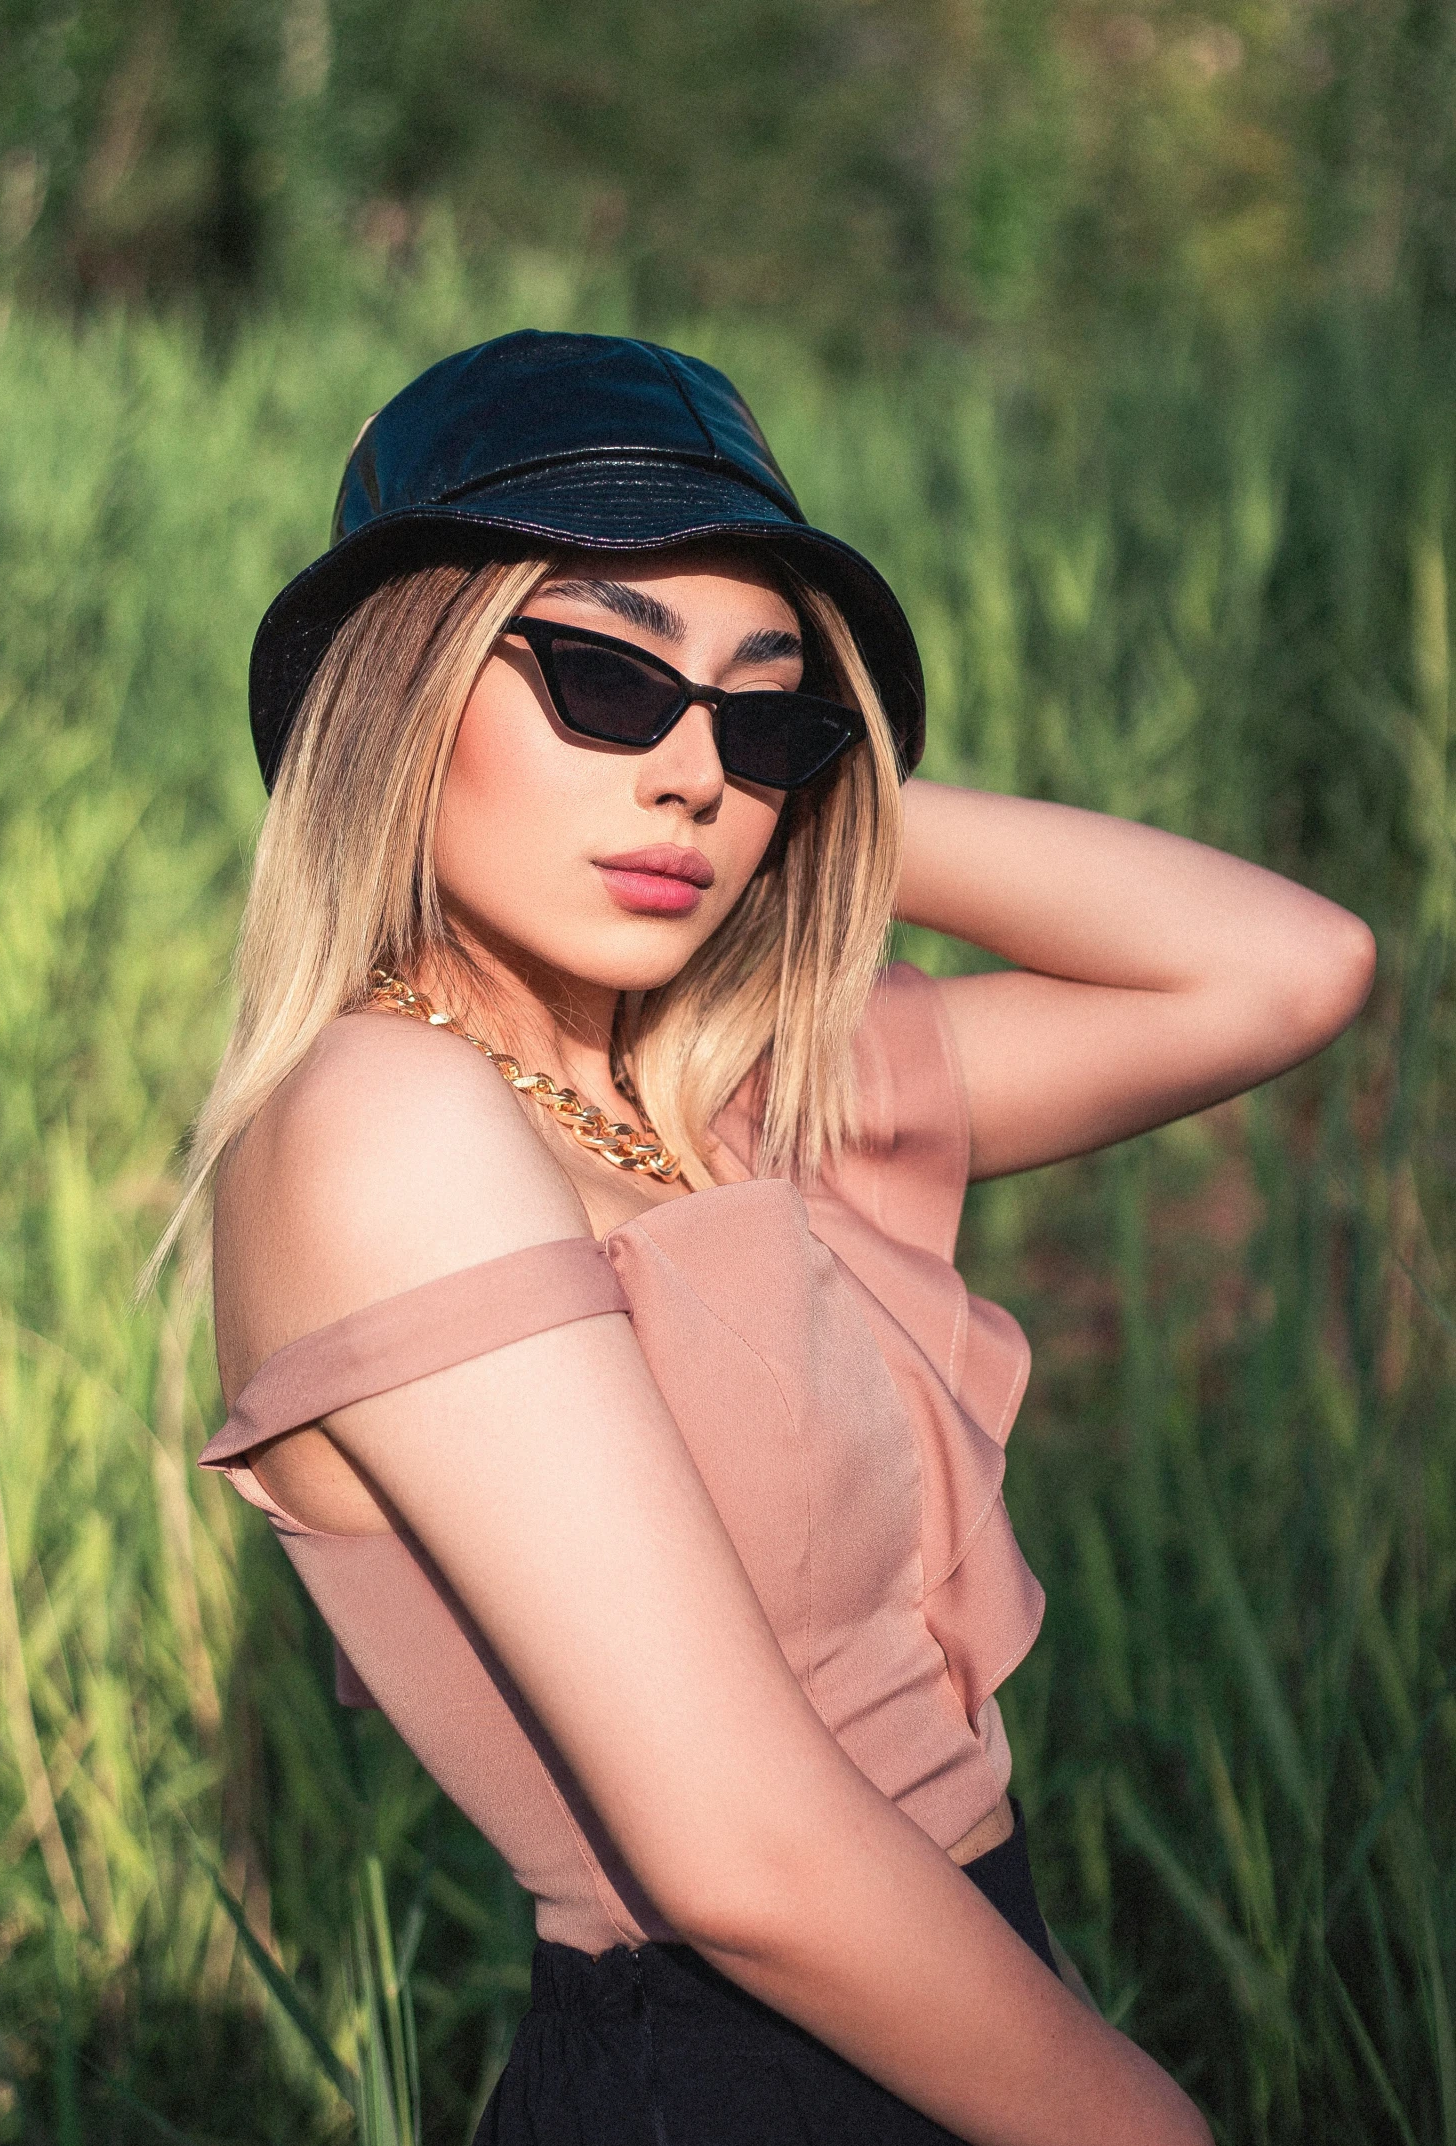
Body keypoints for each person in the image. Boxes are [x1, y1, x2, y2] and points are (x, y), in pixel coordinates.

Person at [170, 332, 1374, 2143]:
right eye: (601, 676)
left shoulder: (727, 1092)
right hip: (733, 2074)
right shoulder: (383, 1118)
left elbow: (1286, 969)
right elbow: (733, 1847)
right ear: (398, 692)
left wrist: (817, 810)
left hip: (953, 2028)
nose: (691, 778)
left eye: (766, 710)